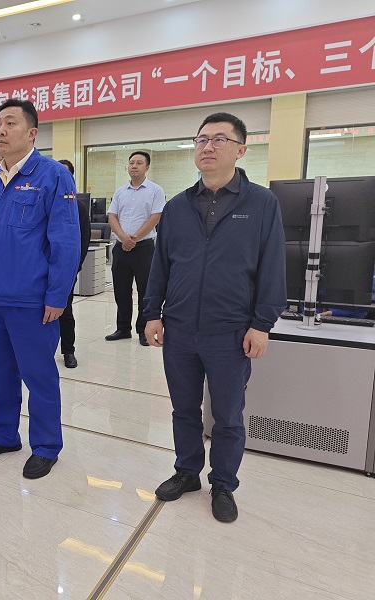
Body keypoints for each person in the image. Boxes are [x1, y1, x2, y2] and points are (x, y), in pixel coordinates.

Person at [143, 112, 286, 523]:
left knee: (227, 416)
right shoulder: (177, 206)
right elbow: (161, 267)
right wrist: (152, 313)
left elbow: (273, 267)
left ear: (241, 150)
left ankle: (223, 483)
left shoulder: (261, 204)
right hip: (180, 329)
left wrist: (262, 324)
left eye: (219, 139)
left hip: (231, 332)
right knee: (184, 409)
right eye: (201, 139)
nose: (207, 146)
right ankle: (187, 471)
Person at [0, 99, 80, 479]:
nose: (0, 130)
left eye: (10, 123)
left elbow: (66, 241)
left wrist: (57, 296)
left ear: (32, 133)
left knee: (39, 376)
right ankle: (4, 434)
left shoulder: (52, 175)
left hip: (32, 301)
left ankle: (46, 446)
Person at [106, 151, 166, 346]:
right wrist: (124, 238)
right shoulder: (120, 192)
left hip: (144, 249)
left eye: (139, 163)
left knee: (145, 291)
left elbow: (155, 217)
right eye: (131, 162)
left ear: (147, 167)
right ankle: (123, 328)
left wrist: (134, 238)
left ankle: (142, 330)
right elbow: (112, 216)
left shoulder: (156, 190)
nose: (134, 166)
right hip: (121, 247)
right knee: (121, 290)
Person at [57, 158, 91, 368]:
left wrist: (75, 266)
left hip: (65, 270)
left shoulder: (78, 207)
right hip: (40, 269)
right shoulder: (42, 202)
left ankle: (68, 351)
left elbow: (83, 239)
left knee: (65, 310)